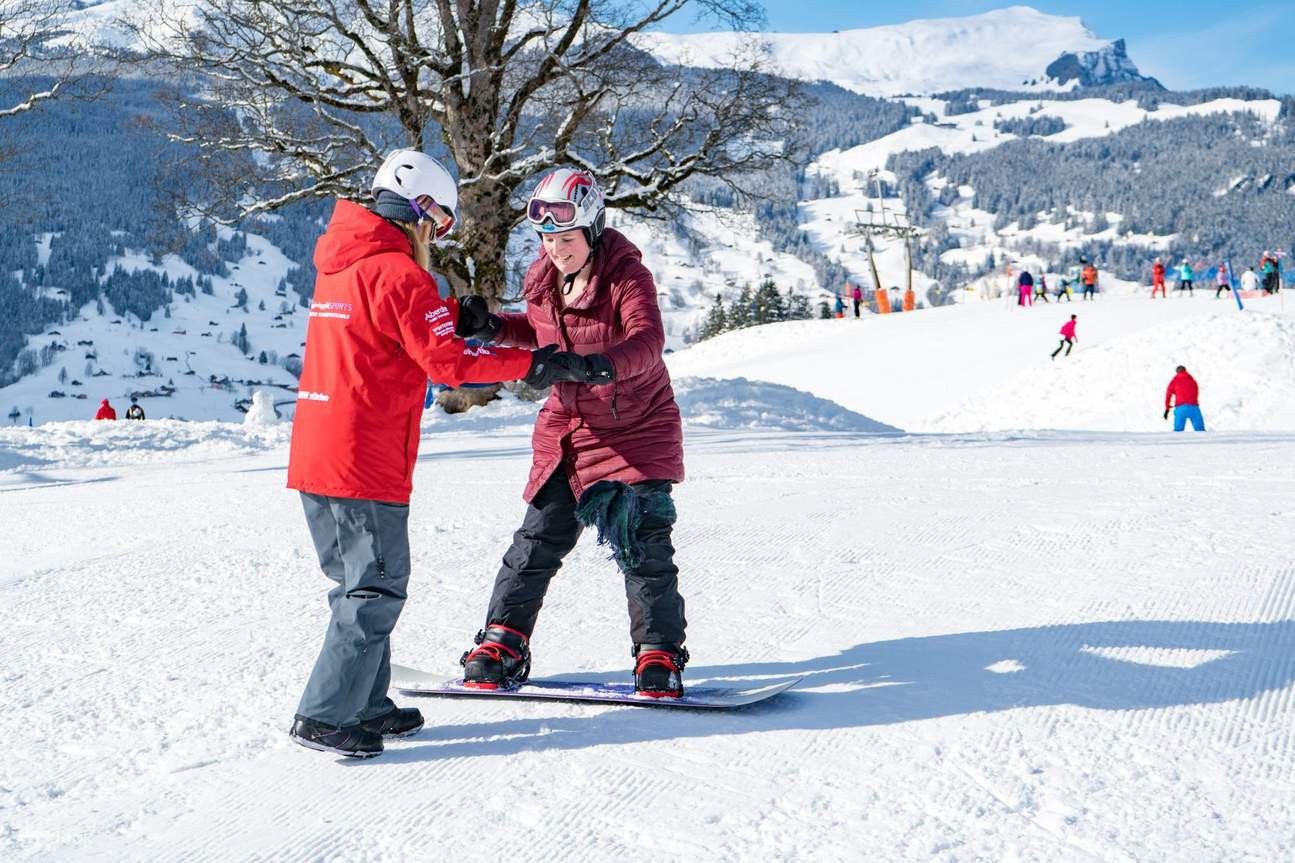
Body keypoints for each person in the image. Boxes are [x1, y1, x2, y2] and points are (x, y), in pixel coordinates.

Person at [285, 149, 549, 759]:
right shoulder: (401, 274)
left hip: (319, 453)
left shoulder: (342, 265)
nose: (439, 237)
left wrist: (454, 315)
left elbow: (390, 327)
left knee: (354, 582)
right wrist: (534, 362)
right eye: (442, 223)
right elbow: (449, 364)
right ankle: (323, 716)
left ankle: (365, 702)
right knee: (375, 588)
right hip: (364, 456)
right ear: (421, 211)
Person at [453, 167, 689, 698]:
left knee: (642, 542)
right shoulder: (545, 278)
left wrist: (591, 367)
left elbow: (648, 341)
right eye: (548, 240)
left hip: (635, 430)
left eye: (566, 238)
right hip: (568, 430)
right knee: (537, 538)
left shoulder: (627, 277)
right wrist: (491, 326)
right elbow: (533, 329)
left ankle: (658, 654)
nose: (556, 250)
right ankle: (503, 641)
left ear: (592, 230)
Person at [1164, 365, 1204, 431]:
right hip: (1194, 408)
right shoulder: (1192, 381)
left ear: (1177, 372)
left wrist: (1167, 409)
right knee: (1200, 430)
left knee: (1178, 431)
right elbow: (1195, 392)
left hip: (1180, 408)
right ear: (1185, 370)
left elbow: (1168, 395)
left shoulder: (1174, 381)